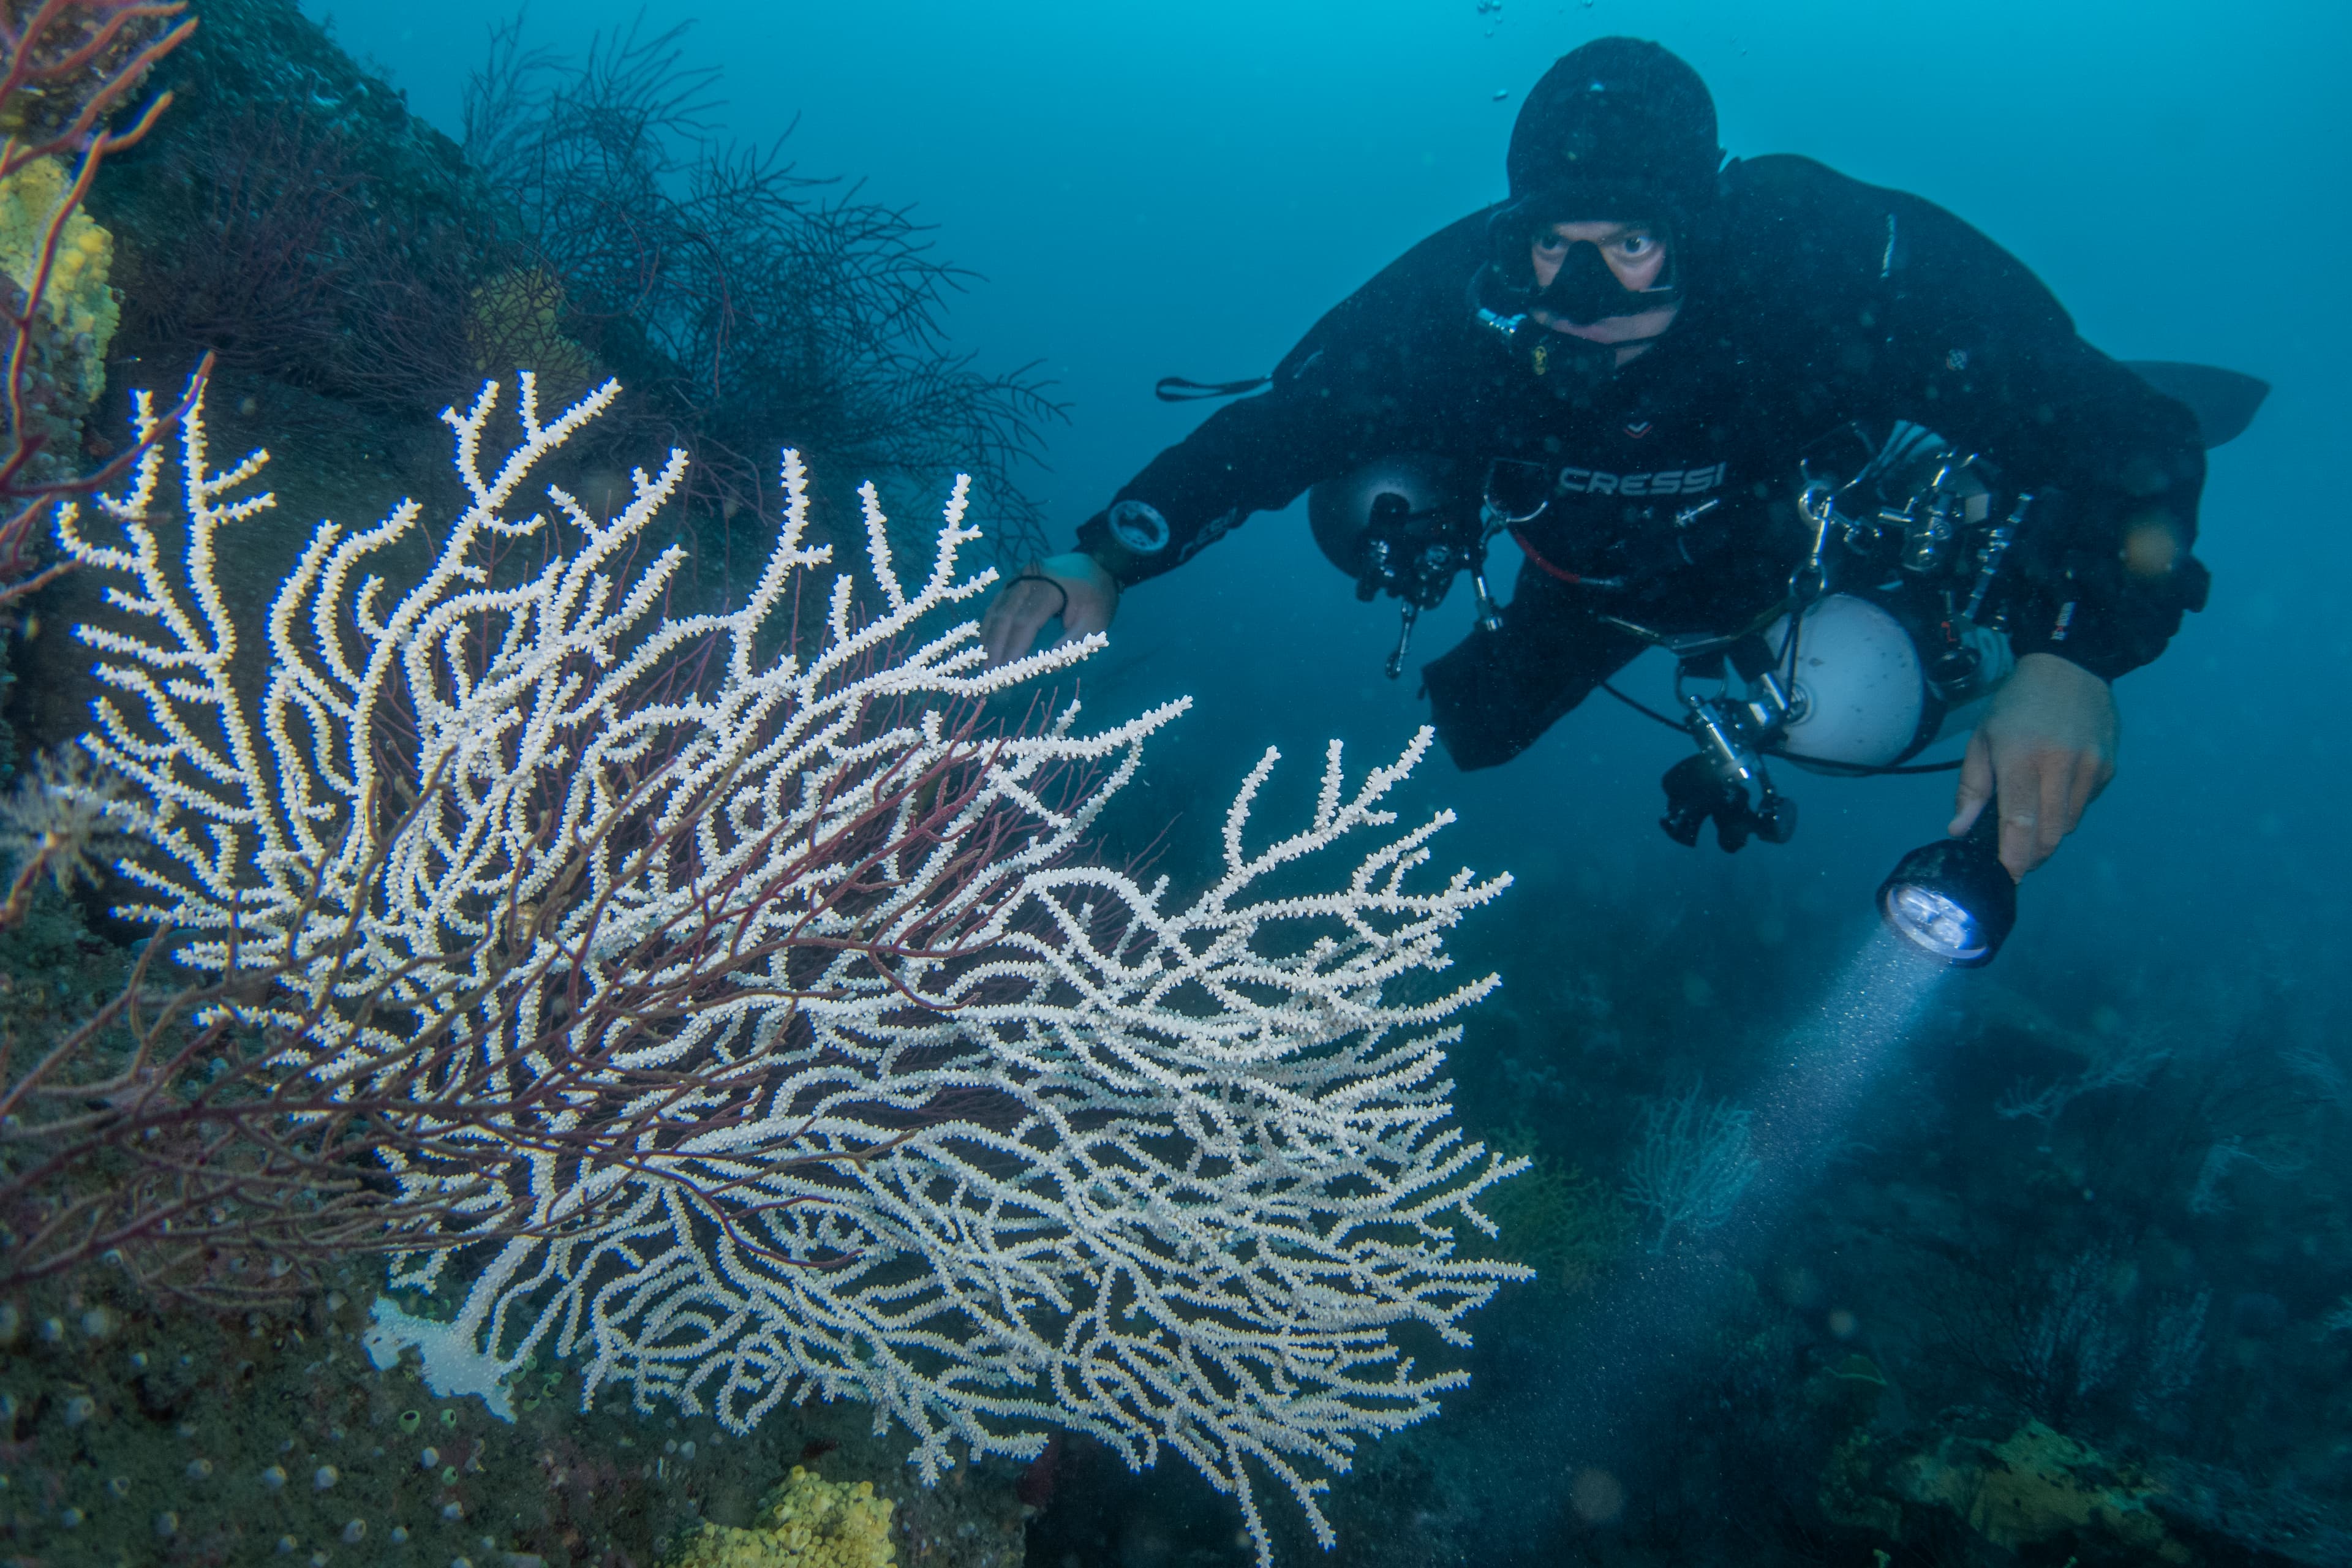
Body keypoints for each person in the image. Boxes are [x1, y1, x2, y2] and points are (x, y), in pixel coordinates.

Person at [979, 36, 2208, 881]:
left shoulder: (1826, 275)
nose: (1582, 293)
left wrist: (2077, 655)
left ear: (1700, 228)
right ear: (1514, 235)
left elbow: (2136, 438)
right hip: (1587, 579)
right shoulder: (1467, 305)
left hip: (1797, 557)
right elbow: (1280, 430)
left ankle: (1971, 614)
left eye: (1630, 242)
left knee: (1853, 708)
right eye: (1549, 247)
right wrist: (1101, 554)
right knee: (1473, 729)